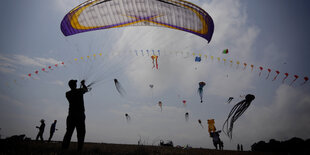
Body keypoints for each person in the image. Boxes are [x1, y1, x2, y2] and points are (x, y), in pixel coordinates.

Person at [62, 79, 90, 151]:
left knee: (68, 133)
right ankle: (79, 150)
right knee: (81, 133)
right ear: (74, 85)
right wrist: (83, 84)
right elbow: (86, 90)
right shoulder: (79, 91)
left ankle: (64, 149)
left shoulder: (67, 94)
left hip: (71, 116)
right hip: (79, 116)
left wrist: (82, 86)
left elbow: (82, 90)